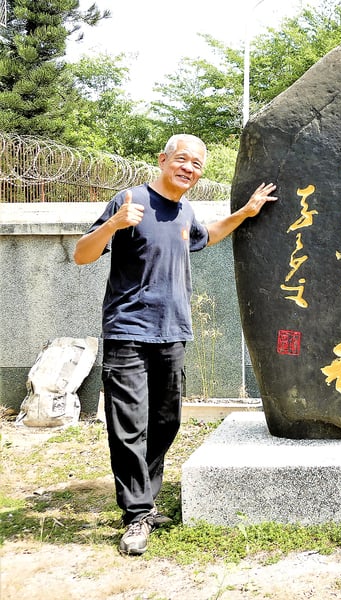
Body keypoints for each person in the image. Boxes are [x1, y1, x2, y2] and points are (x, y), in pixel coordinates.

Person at [73, 134, 278, 554]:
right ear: (163, 160)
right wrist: (112, 225)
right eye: (181, 159)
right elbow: (81, 254)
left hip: (173, 332)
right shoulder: (129, 200)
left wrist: (245, 212)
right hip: (128, 332)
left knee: (166, 422)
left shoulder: (185, 210)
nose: (188, 168)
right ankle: (135, 515)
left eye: (196, 164)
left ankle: (144, 503)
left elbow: (207, 235)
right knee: (129, 425)